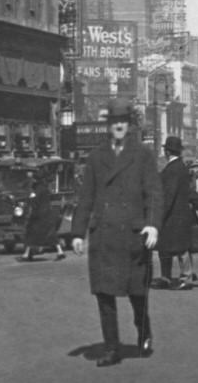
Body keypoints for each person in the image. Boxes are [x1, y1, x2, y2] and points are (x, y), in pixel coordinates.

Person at [68, 99, 163, 367]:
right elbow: (85, 196)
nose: (119, 126)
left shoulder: (142, 154)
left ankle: (144, 331)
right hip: (104, 237)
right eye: (114, 122)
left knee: (137, 294)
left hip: (133, 236)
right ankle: (111, 347)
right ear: (108, 125)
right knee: (104, 294)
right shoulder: (97, 157)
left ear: (129, 125)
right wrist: (77, 232)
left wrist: (153, 224)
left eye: (123, 121)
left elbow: (154, 192)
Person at [157, 135, 195, 289]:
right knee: (172, 247)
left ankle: (184, 278)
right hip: (180, 214)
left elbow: (169, 194)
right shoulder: (181, 167)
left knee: (177, 247)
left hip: (173, 216)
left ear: (167, 152)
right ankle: (172, 277)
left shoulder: (173, 169)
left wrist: (160, 213)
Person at [19, 169, 65, 261]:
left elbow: (35, 203)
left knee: (30, 234)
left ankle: (26, 254)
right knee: (50, 234)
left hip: (39, 216)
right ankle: (60, 252)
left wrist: (30, 200)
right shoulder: (44, 188)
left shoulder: (37, 190)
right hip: (46, 214)